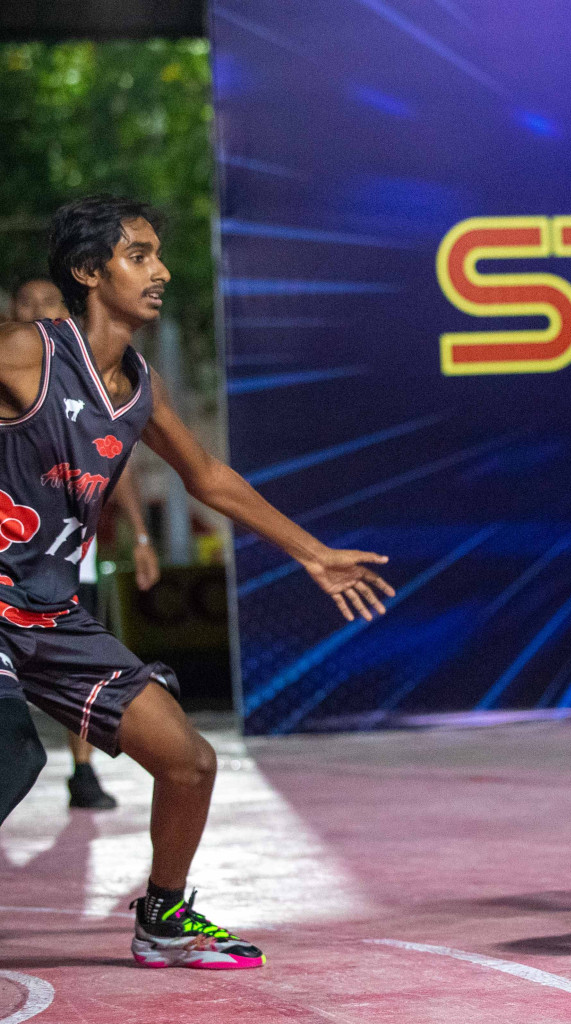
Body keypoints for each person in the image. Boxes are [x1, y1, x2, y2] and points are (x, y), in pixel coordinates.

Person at [0, 196, 395, 969]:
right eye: (139, 255)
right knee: (11, 753)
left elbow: (207, 476)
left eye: (157, 255)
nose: (162, 272)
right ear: (89, 271)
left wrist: (310, 551)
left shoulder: (139, 387)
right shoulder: (26, 352)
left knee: (189, 762)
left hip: (50, 613)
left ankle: (163, 918)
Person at [8, 274, 159, 811]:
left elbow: (116, 469)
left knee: (84, 684)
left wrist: (141, 536)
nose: (37, 311)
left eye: (47, 303)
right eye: (25, 304)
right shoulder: (14, 365)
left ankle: (84, 768)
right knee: (16, 752)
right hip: (9, 571)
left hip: (64, 571)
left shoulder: (116, 386)